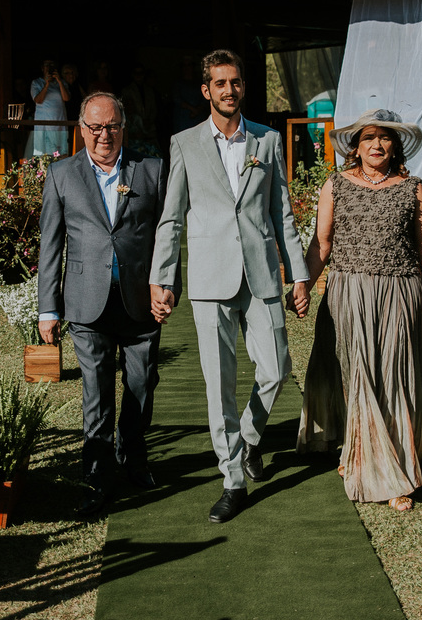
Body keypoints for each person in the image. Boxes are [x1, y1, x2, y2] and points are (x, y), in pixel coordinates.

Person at [149, 48, 309, 524]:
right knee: (219, 386)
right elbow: (171, 218)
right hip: (210, 277)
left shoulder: (267, 140)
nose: (229, 90)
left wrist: (299, 273)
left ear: (243, 86)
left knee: (277, 368)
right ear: (206, 90)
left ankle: (250, 439)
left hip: (261, 273)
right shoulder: (184, 143)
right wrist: (163, 277)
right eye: (219, 83)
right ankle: (233, 481)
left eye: (235, 82)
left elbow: (281, 211)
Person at [294, 108, 422, 512]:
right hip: (350, 293)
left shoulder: (413, 188)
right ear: (355, 146)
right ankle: (363, 456)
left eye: (385, 138)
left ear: (395, 146)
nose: (377, 144)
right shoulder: (335, 185)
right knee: (358, 375)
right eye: (368, 137)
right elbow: (322, 244)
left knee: (395, 380)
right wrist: (304, 284)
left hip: (402, 294)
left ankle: (393, 467)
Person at [38, 91, 171, 516]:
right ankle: (96, 477)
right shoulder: (61, 174)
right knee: (96, 392)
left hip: (139, 303)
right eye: (95, 127)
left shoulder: (151, 170)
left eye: (111, 126)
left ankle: (133, 455)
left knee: (141, 385)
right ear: (81, 130)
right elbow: (50, 245)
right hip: (86, 303)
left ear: (123, 128)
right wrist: (48, 309)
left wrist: (166, 284)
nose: (103, 135)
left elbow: (168, 237)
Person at [31, 59, 71, 156]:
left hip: (59, 122)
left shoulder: (62, 83)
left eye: (52, 65)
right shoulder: (37, 83)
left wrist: (59, 81)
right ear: (42, 68)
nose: (49, 68)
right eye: (47, 65)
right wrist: (47, 84)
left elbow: (66, 98)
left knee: (60, 153)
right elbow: (38, 100)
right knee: (44, 154)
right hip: (44, 124)